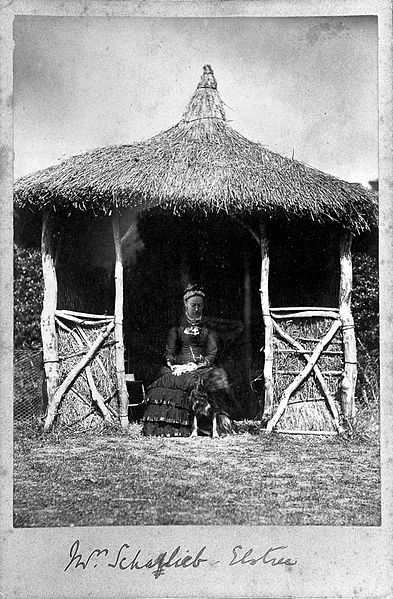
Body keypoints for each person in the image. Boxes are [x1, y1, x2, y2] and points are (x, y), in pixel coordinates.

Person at [141, 284, 220, 436]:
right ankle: (172, 429)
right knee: (167, 380)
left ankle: (203, 426)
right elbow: (169, 353)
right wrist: (174, 366)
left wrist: (195, 365)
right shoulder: (176, 328)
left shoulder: (207, 329)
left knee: (202, 382)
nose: (197, 309)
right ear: (185, 304)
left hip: (200, 367)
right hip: (178, 367)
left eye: (200, 305)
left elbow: (211, 354)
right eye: (193, 305)